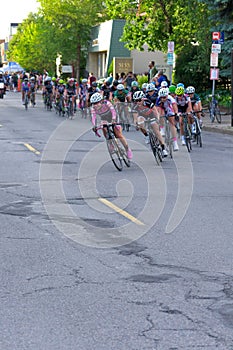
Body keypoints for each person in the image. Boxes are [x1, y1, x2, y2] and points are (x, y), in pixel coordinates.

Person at [90, 92, 133, 159]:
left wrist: (113, 119)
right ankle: (110, 142)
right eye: (94, 103)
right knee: (103, 126)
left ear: (101, 101)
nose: (95, 105)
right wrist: (94, 126)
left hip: (113, 116)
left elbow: (113, 111)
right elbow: (93, 117)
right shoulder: (93, 108)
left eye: (97, 103)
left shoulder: (107, 103)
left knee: (118, 134)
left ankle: (127, 149)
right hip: (104, 118)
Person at [133, 90, 168, 156]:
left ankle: (163, 148)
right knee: (139, 121)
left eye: (139, 100)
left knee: (156, 131)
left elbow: (155, 111)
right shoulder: (135, 106)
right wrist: (136, 124)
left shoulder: (147, 102)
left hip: (151, 115)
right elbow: (135, 117)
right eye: (136, 100)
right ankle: (146, 135)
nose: (138, 102)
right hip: (142, 117)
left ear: (143, 99)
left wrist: (157, 119)